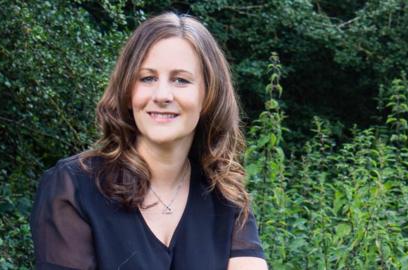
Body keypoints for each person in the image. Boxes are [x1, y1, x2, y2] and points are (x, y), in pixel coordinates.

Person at [30, 11, 268, 270]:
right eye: (147, 78)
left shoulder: (226, 200)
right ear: (127, 90)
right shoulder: (74, 188)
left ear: (209, 96)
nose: (162, 95)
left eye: (181, 80)